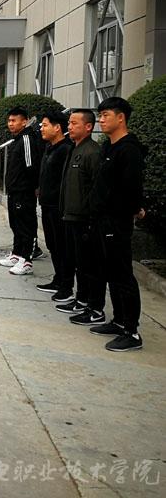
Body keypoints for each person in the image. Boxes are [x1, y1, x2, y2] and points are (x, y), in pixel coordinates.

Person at [88, 97, 146, 351]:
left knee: (122, 275)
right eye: (100, 115)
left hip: (116, 222)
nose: (101, 120)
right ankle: (119, 321)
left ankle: (132, 332)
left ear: (120, 118)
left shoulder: (129, 150)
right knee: (110, 272)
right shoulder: (109, 147)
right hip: (102, 220)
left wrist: (131, 211)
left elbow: (131, 188)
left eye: (105, 115)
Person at [57, 110, 105, 324]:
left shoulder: (92, 152)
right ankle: (82, 299)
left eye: (74, 123)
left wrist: (90, 217)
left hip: (84, 220)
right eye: (69, 122)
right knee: (78, 263)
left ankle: (94, 306)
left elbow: (96, 188)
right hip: (71, 216)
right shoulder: (75, 149)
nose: (69, 127)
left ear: (88, 127)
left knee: (89, 265)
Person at [36, 111, 74, 303]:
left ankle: (66, 286)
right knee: (53, 245)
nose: (41, 129)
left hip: (58, 208)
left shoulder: (66, 150)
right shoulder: (50, 147)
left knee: (62, 246)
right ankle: (58, 279)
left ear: (57, 127)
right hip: (47, 204)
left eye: (45, 125)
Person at [0, 107, 41, 275]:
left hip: (24, 191)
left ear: (24, 122)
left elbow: (31, 166)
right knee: (15, 224)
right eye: (9, 120)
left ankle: (26, 259)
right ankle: (17, 254)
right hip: (14, 191)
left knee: (25, 226)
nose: (10, 124)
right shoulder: (17, 139)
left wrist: (33, 187)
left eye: (14, 120)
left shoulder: (26, 139)